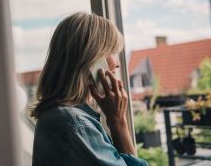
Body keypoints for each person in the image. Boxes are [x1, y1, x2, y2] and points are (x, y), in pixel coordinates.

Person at [31, 13, 149, 166]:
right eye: (112, 52)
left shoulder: (58, 116)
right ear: (92, 59)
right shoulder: (75, 124)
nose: (117, 63)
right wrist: (118, 121)